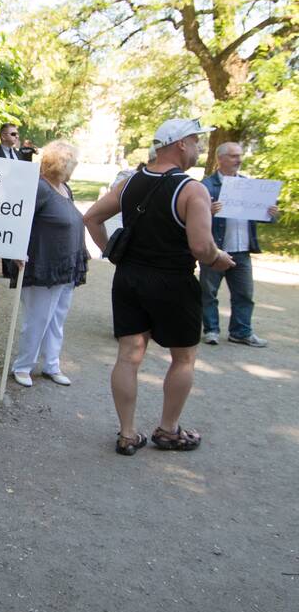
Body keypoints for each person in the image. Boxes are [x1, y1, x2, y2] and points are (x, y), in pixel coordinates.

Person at [84, 118, 235, 456]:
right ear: (180, 143)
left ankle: (127, 434)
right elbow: (200, 247)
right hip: (173, 281)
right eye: (196, 142)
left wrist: (110, 253)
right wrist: (219, 258)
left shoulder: (129, 182)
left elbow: (91, 218)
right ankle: (168, 430)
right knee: (183, 358)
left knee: (128, 355)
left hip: (129, 277)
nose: (198, 149)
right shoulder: (192, 189)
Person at [10, 141, 89, 388]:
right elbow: (19, 219)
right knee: (38, 318)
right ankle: (23, 366)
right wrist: (16, 251)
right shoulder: (41, 188)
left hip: (65, 265)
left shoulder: (64, 187)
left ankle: (51, 364)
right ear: (61, 163)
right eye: (72, 163)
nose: (75, 168)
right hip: (43, 265)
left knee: (57, 319)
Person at [199, 142, 279, 348]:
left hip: (242, 249)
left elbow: (260, 215)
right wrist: (209, 211)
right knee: (208, 293)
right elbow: (194, 217)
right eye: (234, 156)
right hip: (216, 249)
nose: (239, 160)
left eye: (240, 155)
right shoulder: (206, 186)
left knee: (244, 294)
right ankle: (211, 330)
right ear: (221, 159)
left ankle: (241, 332)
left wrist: (271, 214)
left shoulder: (248, 186)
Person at [0, 123, 35, 281]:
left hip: (14, 204)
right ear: (3, 136)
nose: (16, 137)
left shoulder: (20, 156)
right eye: (13, 134)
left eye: (17, 134)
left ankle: (7, 270)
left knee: (8, 235)